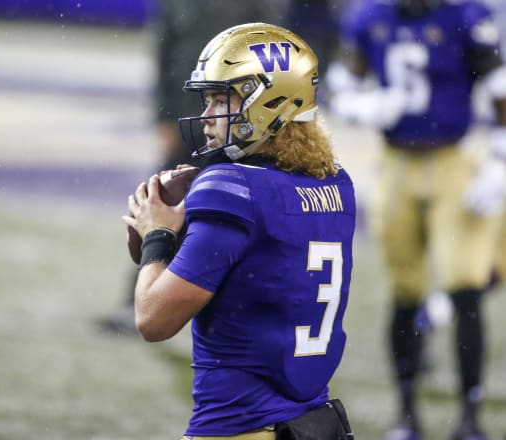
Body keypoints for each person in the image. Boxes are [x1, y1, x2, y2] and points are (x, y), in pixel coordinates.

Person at [124, 23, 356, 439]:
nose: (209, 116)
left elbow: (153, 319)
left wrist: (158, 235)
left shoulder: (231, 189)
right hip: (312, 425)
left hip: (238, 427)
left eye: (220, 99)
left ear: (268, 102)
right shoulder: (336, 184)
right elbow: (258, 266)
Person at [325, 0, 506, 439]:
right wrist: (359, 107)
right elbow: (340, 84)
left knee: (466, 285)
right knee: (403, 291)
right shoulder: (372, 18)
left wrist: (500, 160)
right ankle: (406, 412)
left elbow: (500, 88)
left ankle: (469, 416)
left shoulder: (465, 16)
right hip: (396, 162)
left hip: (453, 159)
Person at [97, 0, 282, 335]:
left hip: (239, 126)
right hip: (190, 120)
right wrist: (165, 115)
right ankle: (139, 299)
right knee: (161, 206)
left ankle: (234, 309)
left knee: (235, 218)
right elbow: (165, 51)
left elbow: (273, 56)